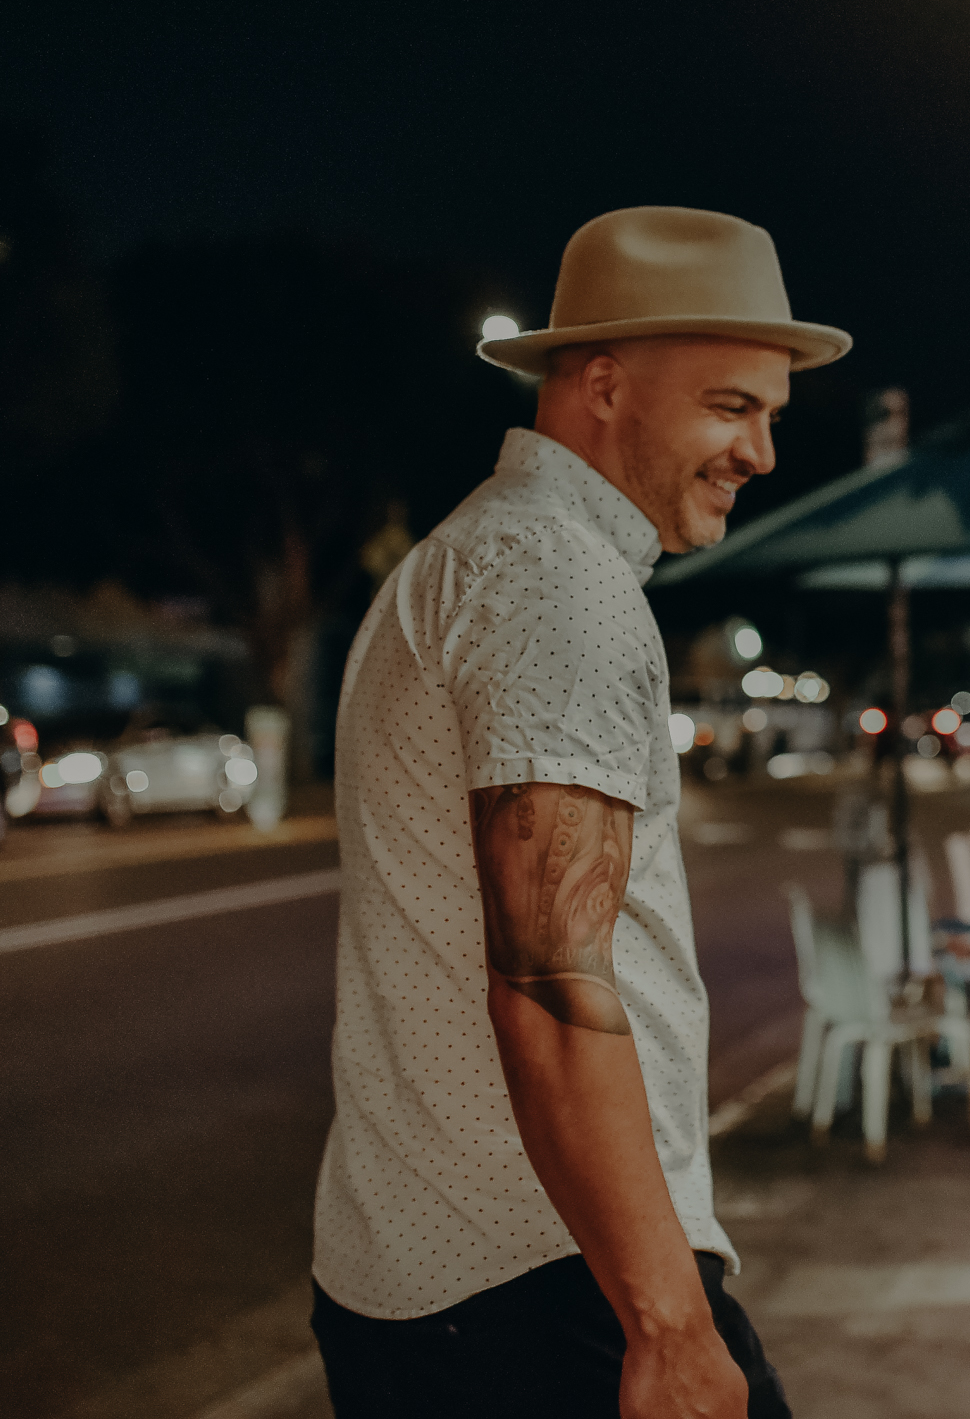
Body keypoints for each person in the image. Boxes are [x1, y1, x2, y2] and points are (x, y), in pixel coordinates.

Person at [308, 207, 850, 1419]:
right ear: (603, 383)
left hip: (422, 1278)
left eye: (771, 415)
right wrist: (666, 1318)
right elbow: (552, 987)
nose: (760, 453)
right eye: (731, 407)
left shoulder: (462, 559)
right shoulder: (557, 581)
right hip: (548, 1287)